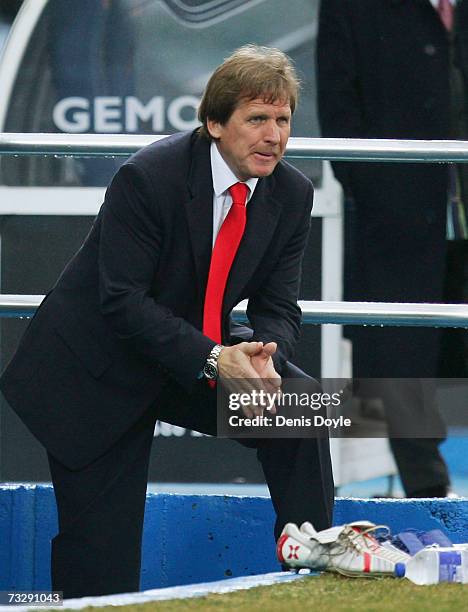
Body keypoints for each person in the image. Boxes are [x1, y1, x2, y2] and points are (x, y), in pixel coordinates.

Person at [0, 45, 334, 598]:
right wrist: (213, 358)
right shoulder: (147, 176)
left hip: (185, 357)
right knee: (101, 570)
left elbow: (279, 305)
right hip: (98, 367)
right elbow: (122, 302)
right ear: (214, 123)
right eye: (256, 119)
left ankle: (312, 566)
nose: (273, 136)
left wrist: (264, 356)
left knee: (302, 406)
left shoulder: (292, 192)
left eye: (282, 120)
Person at [316, 0, 468, 497]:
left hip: (454, 207)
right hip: (394, 215)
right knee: (398, 358)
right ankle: (429, 496)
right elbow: (337, 103)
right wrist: (372, 186)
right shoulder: (354, 8)